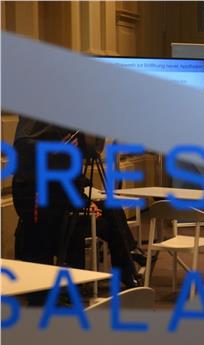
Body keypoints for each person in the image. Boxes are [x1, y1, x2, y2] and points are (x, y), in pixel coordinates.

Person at [12, 117, 143, 299]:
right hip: (39, 192)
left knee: (107, 212)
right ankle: (52, 294)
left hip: (66, 194)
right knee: (46, 243)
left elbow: (87, 153)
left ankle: (124, 267)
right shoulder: (36, 123)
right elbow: (25, 150)